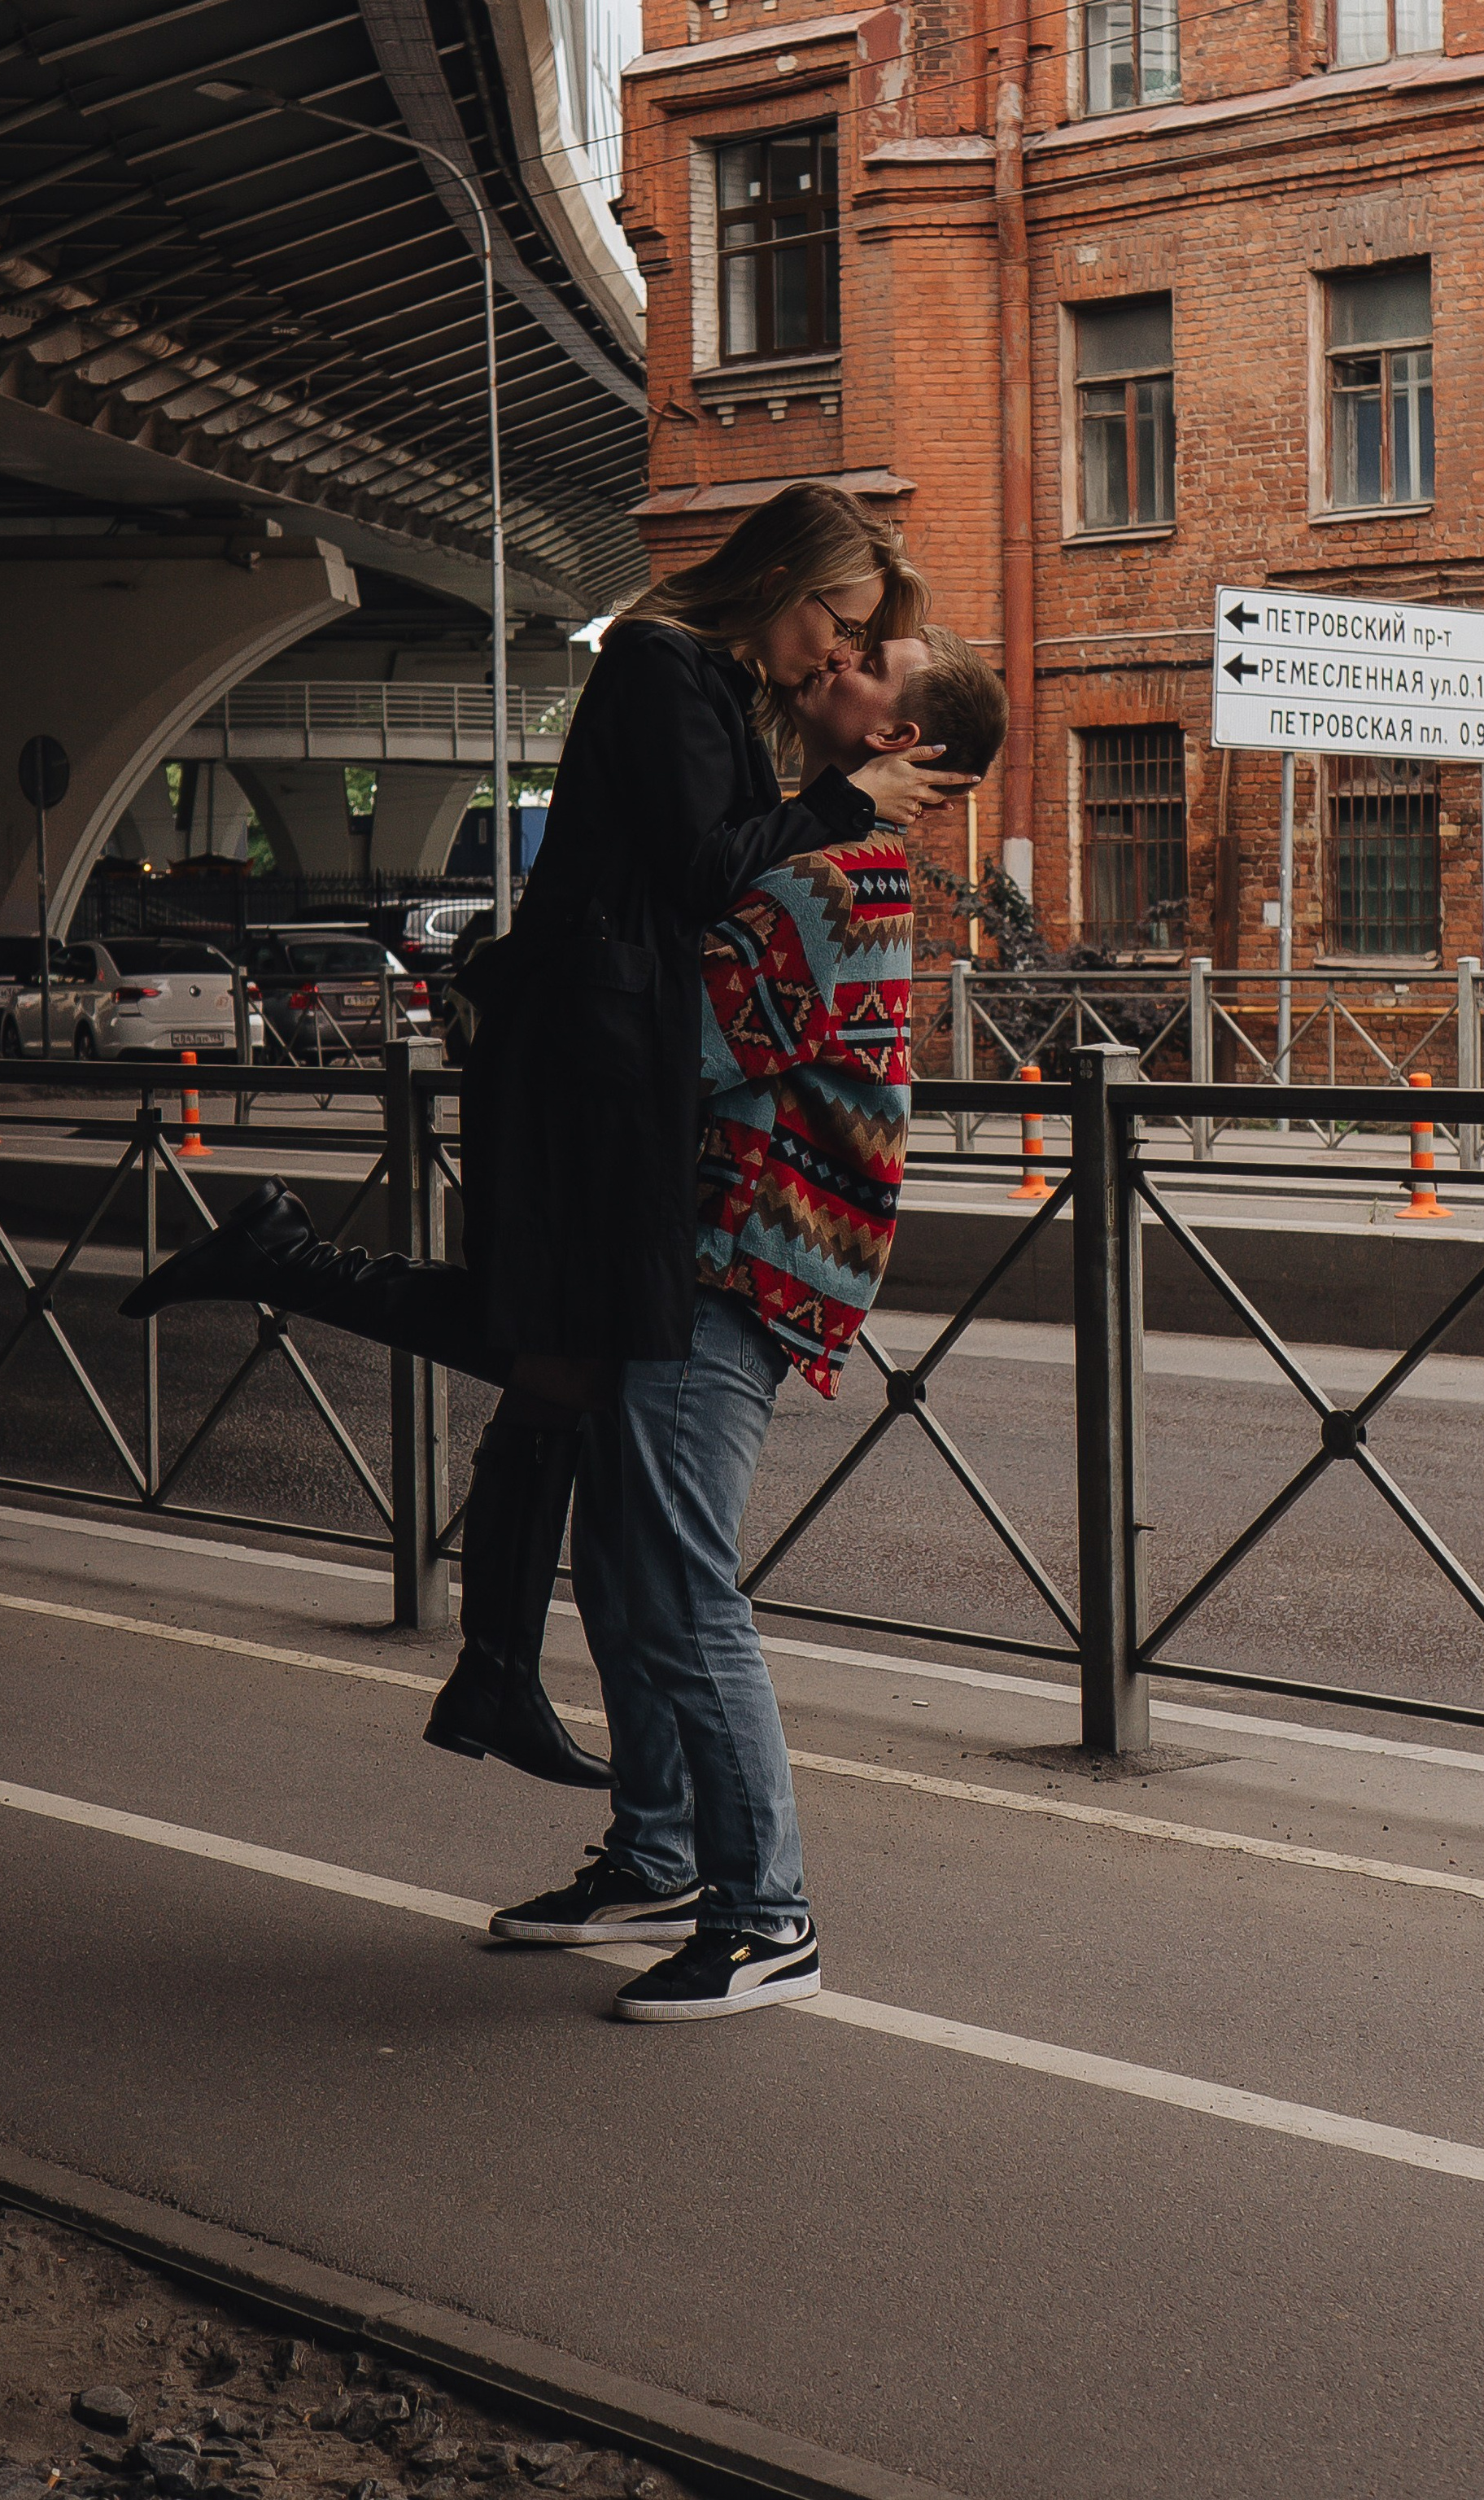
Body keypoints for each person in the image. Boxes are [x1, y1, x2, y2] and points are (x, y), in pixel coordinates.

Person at [120, 486, 971, 1788]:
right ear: (784, 581)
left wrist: (832, 803)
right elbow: (704, 873)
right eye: (839, 626)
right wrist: (845, 798)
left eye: (859, 646)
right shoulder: (658, 662)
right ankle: (505, 1671)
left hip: (609, 1057)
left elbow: (717, 878)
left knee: (560, 1357)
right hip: (597, 1059)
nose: (838, 655)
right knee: (565, 1337)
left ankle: (496, 1673)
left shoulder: (712, 691)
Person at [490, 625, 1009, 2021]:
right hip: (700, 1247)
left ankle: (767, 1916)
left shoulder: (837, 878)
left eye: (865, 665)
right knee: (620, 1565)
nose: (829, 665)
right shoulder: (809, 851)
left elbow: (681, 1042)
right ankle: (657, 1853)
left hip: (736, 1261)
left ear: (897, 738)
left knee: (677, 1582)